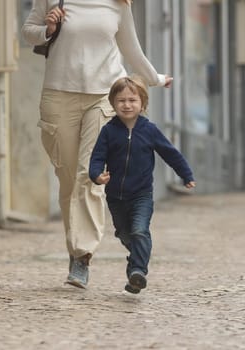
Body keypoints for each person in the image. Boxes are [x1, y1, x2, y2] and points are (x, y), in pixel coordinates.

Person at [21, 0, 173, 289]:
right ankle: (76, 248)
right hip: (58, 94)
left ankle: (82, 256)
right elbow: (28, 31)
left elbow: (132, 49)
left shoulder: (117, 4)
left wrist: (155, 79)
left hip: (103, 96)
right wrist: (48, 29)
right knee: (67, 178)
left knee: (87, 176)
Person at [89, 76, 196, 294]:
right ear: (113, 103)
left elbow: (170, 153)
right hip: (116, 197)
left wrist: (186, 174)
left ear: (142, 103)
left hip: (141, 195)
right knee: (124, 234)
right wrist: (97, 176)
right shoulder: (109, 131)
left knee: (139, 231)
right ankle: (138, 257)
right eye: (121, 101)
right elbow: (97, 158)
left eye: (132, 100)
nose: (126, 105)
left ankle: (137, 271)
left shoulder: (150, 130)